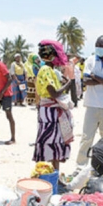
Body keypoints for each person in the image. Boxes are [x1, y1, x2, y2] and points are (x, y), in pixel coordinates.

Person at [74, 35, 103, 168]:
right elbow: (86, 81)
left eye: (102, 46)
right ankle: (81, 165)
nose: (99, 48)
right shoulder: (90, 60)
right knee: (87, 137)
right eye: (97, 46)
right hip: (92, 104)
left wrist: (95, 77)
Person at [33, 40, 73, 171]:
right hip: (50, 114)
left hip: (48, 112)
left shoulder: (47, 69)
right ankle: (50, 175)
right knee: (51, 144)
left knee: (51, 145)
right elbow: (54, 93)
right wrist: (69, 84)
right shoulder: (46, 70)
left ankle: (52, 175)